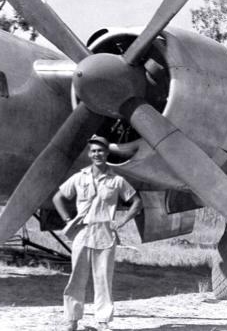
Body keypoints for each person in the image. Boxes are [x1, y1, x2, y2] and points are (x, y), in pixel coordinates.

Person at [53, 135, 142, 331]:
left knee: (103, 279)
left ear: (107, 153)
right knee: (76, 278)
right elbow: (58, 197)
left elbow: (136, 202)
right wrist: (68, 220)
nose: (97, 154)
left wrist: (122, 221)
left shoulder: (117, 180)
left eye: (100, 150)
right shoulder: (79, 177)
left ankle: (102, 322)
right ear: (89, 154)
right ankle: (72, 320)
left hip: (105, 234)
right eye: (93, 151)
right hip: (82, 233)